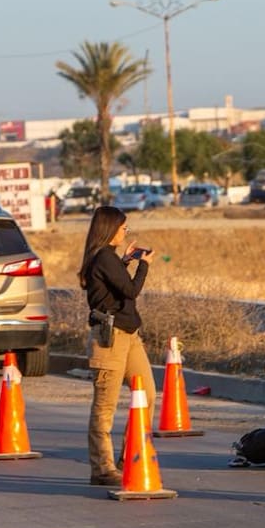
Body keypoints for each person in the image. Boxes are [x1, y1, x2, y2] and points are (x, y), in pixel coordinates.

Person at [78, 206, 156, 486]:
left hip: (129, 335)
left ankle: (129, 457)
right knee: (105, 407)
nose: (126, 232)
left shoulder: (109, 259)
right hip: (109, 339)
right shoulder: (103, 258)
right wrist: (143, 264)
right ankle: (102, 468)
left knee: (147, 394)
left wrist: (124, 263)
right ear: (110, 229)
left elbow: (115, 288)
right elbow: (131, 291)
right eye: (124, 228)